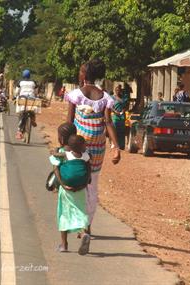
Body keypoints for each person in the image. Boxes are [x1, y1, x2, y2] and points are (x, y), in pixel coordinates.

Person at [66, 59, 121, 234]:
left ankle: (77, 220)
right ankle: (87, 224)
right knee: (92, 184)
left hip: (78, 145)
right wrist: (116, 147)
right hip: (98, 146)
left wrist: (64, 145)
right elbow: (108, 123)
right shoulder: (105, 96)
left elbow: (69, 122)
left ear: (85, 75)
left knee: (75, 180)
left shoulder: (76, 94)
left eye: (81, 70)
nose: (79, 73)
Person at [49, 130, 91, 255]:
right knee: (81, 212)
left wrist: (62, 184)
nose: (86, 146)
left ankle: (64, 244)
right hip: (81, 189)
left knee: (64, 213)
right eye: (84, 145)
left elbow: (54, 160)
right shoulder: (85, 156)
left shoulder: (66, 155)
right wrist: (83, 184)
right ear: (81, 147)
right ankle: (84, 233)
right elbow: (88, 170)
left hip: (66, 189)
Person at [15, 69, 38, 139]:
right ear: (29, 75)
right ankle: (33, 119)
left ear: (23, 75)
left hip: (23, 100)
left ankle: (19, 129)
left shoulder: (20, 82)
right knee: (32, 111)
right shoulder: (33, 82)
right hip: (31, 100)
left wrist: (15, 96)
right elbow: (36, 91)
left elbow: (16, 92)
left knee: (21, 113)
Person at [111, 84, 130, 150]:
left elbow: (126, 106)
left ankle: (122, 145)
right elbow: (111, 106)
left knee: (122, 131)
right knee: (115, 130)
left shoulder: (124, 97)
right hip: (115, 116)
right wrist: (115, 112)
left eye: (119, 90)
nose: (118, 91)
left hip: (122, 116)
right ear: (115, 91)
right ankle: (115, 144)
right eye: (116, 90)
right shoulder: (112, 97)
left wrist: (123, 110)